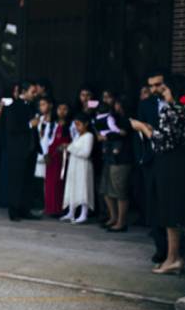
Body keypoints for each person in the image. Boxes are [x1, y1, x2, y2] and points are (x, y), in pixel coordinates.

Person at [130, 77, 185, 274]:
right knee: (176, 208)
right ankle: (175, 256)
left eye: (165, 89)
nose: (162, 93)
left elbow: (162, 143)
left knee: (168, 210)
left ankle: (173, 258)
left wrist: (143, 129)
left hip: (168, 164)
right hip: (183, 163)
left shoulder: (170, 109)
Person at [136, 71, 168, 263]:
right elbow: (139, 131)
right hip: (152, 160)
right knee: (154, 203)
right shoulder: (145, 104)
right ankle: (161, 248)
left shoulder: (182, 97)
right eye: (151, 86)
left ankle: (182, 249)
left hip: (175, 160)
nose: (155, 89)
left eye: (158, 85)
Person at [97, 93, 133, 232]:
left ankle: (121, 221)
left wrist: (106, 135)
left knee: (119, 191)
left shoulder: (128, 119)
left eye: (118, 103)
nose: (115, 105)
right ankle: (113, 217)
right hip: (108, 156)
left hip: (122, 158)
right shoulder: (112, 117)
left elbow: (123, 134)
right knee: (106, 189)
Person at [5, 81, 40, 221]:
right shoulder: (14, 107)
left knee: (28, 181)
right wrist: (29, 125)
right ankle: (13, 211)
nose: (35, 95)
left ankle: (25, 209)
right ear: (23, 92)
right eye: (32, 92)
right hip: (17, 151)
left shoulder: (31, 106)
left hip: (30, 150)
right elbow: (12, 128)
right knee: (16, 181)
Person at [61, 113, 95, 224]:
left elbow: (86, 153)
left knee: (83, 188)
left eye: (79, 124)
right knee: (72, 186)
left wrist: (70, 147)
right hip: (74, 165)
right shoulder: (77, 136)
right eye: (75, 124)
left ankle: (83, 214)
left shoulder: (89, 136)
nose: (77, 127)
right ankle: (71, 212)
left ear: (86, 124)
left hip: (83, 166)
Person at [44, 102, 72, 216]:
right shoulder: (51, 125)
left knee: (61, 183)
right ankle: (51, 209)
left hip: (64, 158)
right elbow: (45, 140)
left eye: (65, 109)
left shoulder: (71, 125)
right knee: (51, 184)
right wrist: (46, 154)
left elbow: (75, 139)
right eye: (59, 108)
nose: (62, 111)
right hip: (52, 157)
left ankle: (61, 209)